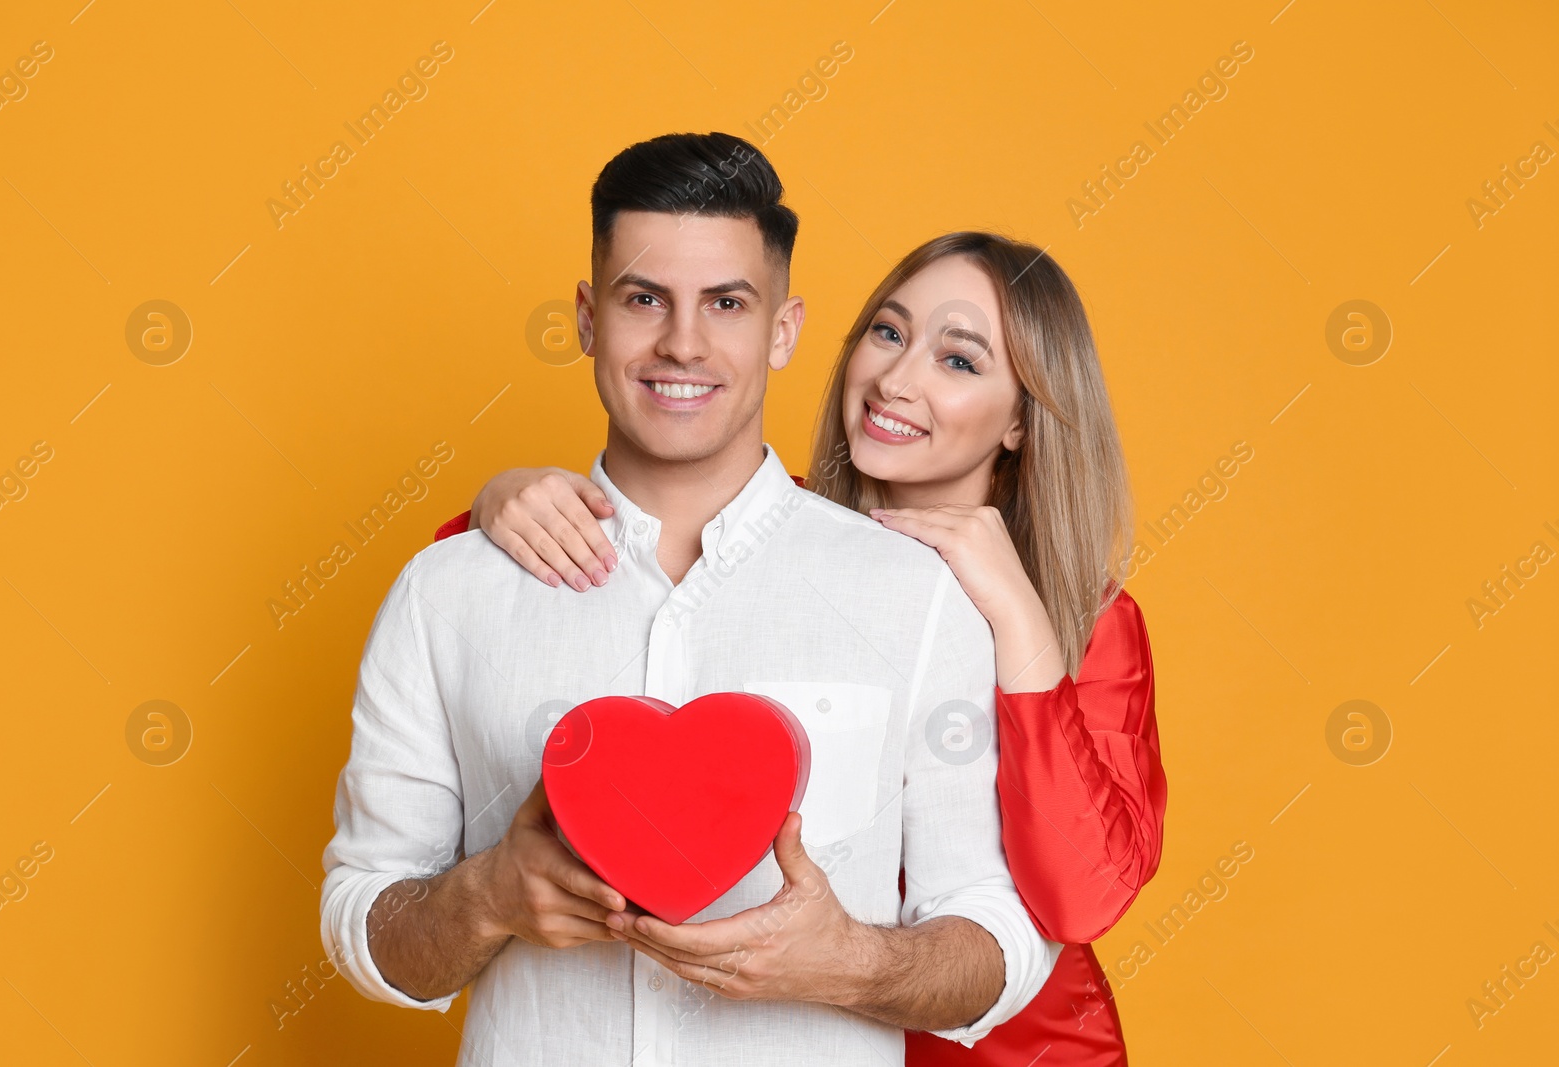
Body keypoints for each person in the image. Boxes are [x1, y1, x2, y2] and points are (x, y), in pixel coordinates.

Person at [321, 132, 1054, 1066]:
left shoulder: (914, 597)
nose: (683, 342)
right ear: (589, 316)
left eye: (727, 303)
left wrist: (851, 963)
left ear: (782, 329)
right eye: (643, 299)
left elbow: (1000, 933)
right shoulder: (448, 591)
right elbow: (362, 917)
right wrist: (489, 896)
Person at [444, 230, 1164, 1065]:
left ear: (1020, 421)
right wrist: (499, 502)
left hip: (1016, 1049)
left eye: (958, 361)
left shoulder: (1090, 620)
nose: (896, 379)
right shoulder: (758, 540)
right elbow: (492, 607)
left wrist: (1017, 614)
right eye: (888, 333)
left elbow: (1084, 896)